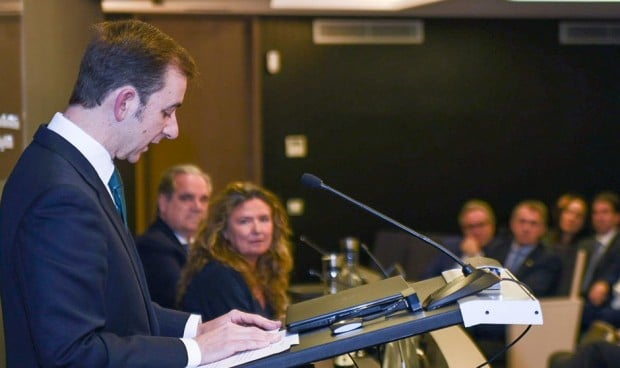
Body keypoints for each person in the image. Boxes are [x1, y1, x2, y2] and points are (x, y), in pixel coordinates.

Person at [0, 19, 281, 368]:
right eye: (168, 111)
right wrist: (199, 351)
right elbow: (73, 355)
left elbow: (117, 310)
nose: (173, 130)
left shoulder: (64, 168)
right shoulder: (61, 193)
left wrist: (201, 328)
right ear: (125, 102)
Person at [177, 182, 293, 322]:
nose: (257, 230)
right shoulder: (219, 274)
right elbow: (247, 337)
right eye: (244, 221)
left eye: (264, 219)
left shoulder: (265, 271)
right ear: (224, 231)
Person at [469, 200, 562, 368]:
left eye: (533, 224)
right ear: (512, 224)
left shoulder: (548, 259)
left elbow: (526, 292)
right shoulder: (497, 248)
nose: (526, 228)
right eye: (522, 221)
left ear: (542, 229)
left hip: (516, 321)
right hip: (485, 309)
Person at [136, 164, 212, 309]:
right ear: (163, 203)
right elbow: (182, 300)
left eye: (203, 199)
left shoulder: (207, 246)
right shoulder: (154, 246)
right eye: (187, 198)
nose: (197, 207)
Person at [423, 199, 503, 278]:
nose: (476, 231)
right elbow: (427, 278)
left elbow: (498, 280)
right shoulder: (451, 247)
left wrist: (476, 255)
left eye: (481, 225)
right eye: (470, 227)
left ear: (492, 225)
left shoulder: (504, 249)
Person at [579, 191, 620, 333]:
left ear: (617, 217)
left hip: (607, 306)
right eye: (595, 213)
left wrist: (606, 283)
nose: (599, 217)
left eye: (605, 212)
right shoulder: (584, 245)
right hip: (578, 302)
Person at [542, 193, 589, 296]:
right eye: (569, 212)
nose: (572, 219)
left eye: (578, 215)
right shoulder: (544, 240)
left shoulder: (586, 248)